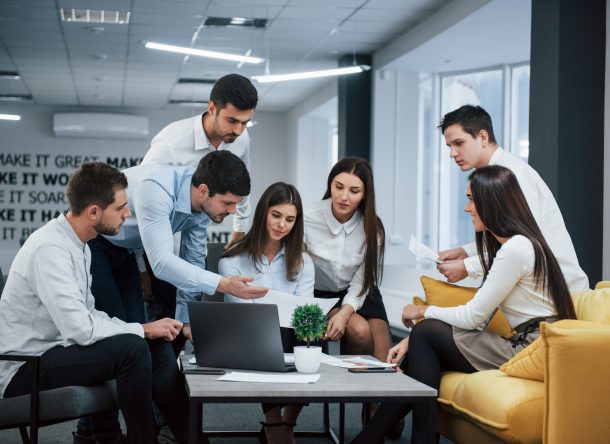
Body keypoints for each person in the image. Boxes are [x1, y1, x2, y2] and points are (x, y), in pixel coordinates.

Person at [350, 165, 577, 444]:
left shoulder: (516, 249)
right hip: (530, 343)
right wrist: (411, 340)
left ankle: (383, 438)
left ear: (491, 202)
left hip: (533, 348)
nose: (467, 208)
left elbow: (473, 317)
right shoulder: (513, 246)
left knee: (426, 332)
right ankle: (371, 439)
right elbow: (480, 318)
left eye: (472, 199)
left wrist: (421, 312)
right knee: (421, 343)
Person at [0, 162, 206, 444]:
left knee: (152, 342)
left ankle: (192, 438)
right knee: (133, 347)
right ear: (94, 211)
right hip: (25, 369)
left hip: (56, 353)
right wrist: (141, 330)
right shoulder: (50, 248)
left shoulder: (79, 244)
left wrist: (146, 329)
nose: (128, 213)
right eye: (120, 207)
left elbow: (90, 316)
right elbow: (81, 330)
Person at [93, 150, 267, 345]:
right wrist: (225, 284)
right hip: (97, 240)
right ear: (203, 190)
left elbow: (193, 260)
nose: (233, 211)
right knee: (121, 332)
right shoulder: (156, 189)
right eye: (227, 203)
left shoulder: (202, 206)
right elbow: (162, 264)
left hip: (128, 250)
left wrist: (186, 321)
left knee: (135, 329)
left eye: (237, 204)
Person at [436, 105, 589, 292]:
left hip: (557, 292)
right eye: (449, 146)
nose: (452, 153)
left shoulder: (512, 174)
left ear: (483, 137)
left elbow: (528, 243)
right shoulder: (493, 174)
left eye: (459, 143)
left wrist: (468, 267)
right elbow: (510, 233)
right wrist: (466, 251)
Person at [219, 182, 314, 444]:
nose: (282, 224)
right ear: (263, 212)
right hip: (251, 334)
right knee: (266, 329)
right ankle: (273, 421)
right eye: (276, 215)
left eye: (290, 219)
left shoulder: (304, 262)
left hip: (290, 329)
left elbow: (303, 310)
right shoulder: (231, 261)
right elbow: (243, 314)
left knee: (311, 330)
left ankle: (289, 423)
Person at [303, 157, 392, 425]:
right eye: (338, 186)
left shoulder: (372, 227)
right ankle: (360, 396)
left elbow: (362, 279)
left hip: (360, 289)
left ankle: (378, 413)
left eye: (354, 191)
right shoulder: (306, 216)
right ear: (330, 184)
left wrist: (345, 310)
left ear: (365, 194)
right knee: (359, 332)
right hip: (318, 291)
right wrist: (335, 312)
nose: (343, 197)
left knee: (384, 363)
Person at [142, 73, 258, 248]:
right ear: (212, 108)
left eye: (245, 123)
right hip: (161, 233)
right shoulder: (170, 143)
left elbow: (243, 180)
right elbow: (143, 194)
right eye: (232, 120)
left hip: (197, 232)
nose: (238, 130)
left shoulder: (241, 138)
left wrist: (241, 226)